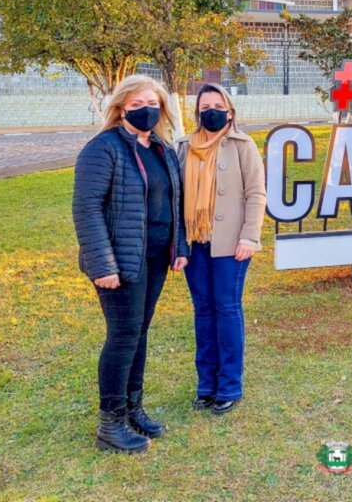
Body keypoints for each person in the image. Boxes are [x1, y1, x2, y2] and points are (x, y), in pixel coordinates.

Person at [73, 75, 189, 454]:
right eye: (137, 104)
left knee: (139, 334)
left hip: (155, 258)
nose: (146, 110)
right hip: (119, 261)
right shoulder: (102, 149)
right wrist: (102, 265)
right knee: (122, 337)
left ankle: (132, 409)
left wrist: (180, 247)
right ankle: (110, 423)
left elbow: (176, 203)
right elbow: (86, 210)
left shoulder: (162, 148)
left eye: (152, 103)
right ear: (121, 107)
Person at [178, 83, 266, 415]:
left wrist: (249, 236)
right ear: (197, 111)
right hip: (195, 243)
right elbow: (177, 197)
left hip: (231, 243)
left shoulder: (243, 146)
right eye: (204, 107)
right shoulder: (184, 146)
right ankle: (206, 385)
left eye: (217, 106)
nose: (210, 112)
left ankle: (229, 385)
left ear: (230, 112)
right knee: (203, 311)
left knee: (227, 308)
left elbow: (256, 194)